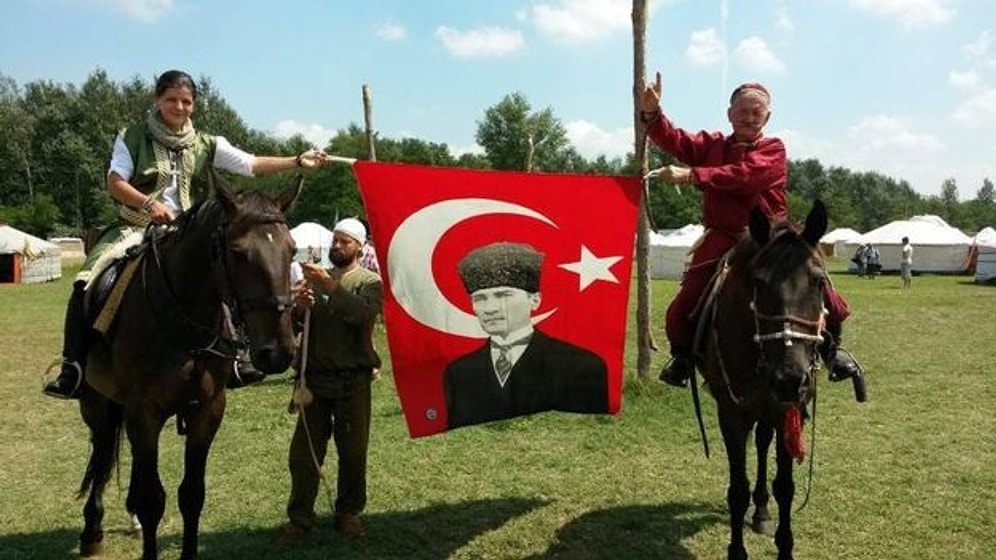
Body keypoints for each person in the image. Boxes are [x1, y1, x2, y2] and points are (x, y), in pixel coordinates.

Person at [43, 69, 329, 399]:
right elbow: (115, 182)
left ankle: (237, 358)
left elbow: (249, 164)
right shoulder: (133, 136)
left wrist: (296, 160)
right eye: (172, 100)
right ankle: (73, 366)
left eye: (186, 101)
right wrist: (149, 204)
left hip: (190, 231)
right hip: (136, 226)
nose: (179, 107)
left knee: (229, 276)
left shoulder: (206, 142)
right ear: (157, 100)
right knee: (89, 279)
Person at [637, 72, 863, 389]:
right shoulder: (711, 145)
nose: (750, 117)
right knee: (684, 304)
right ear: (730, 115)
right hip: (723, 234)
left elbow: (746, 176)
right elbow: (675, 139)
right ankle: (684, 358)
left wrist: (692, 176)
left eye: (757, 112)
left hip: (770, 238)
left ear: (767, 117)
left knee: (823, 292)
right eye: (743, 111)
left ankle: (832, 351)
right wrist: (652, 114)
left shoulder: (773, 149)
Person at [278, 217, 383, 545]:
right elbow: (296, 322)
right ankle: (299, 519)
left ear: (359, 247)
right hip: (314, 380)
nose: (337, 246)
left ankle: (348, 513)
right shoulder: (314, 278)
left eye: (345, 241)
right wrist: (298, 306)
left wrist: (329, 286)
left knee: (353, 451)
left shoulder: (369, 281)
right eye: (335, 240)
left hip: (352, 379)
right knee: (303, 454)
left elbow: (363, 314)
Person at [442, 242, 609, 429]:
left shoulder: (582, 366)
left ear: (535, 300)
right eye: (479, 298)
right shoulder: (458, 372)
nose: (490, 309)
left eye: (503, 295)